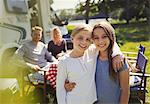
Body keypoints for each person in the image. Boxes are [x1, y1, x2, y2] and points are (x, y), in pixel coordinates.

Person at [56, 24, 123, 104]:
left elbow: (111, 43)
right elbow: (60, 90)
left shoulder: (92, 52)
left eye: (88, 39)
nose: (84, 42)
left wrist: (117, 54)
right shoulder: (64, 62)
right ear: (72, 38)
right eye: (80, 38)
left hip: (92, 101)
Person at [92, 21, 129, 104]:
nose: (100, 41)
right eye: (96, 38)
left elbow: (125, 90)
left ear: (110, 37)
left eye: (104, 36)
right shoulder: (91, 58)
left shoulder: (119, 61)